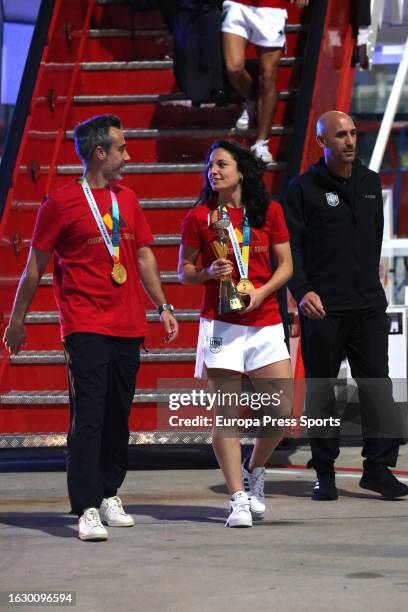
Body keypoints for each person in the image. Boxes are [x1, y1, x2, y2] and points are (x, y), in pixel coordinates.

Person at [2, 114, 179, 541]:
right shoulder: (60, 203)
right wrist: (17, 320)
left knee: (119, 416)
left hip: (128, 325)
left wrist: (163, 306)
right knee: (90, 417)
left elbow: (142, 259)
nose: (127, 155)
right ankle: (85, 506)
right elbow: (35, 267)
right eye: (121, 148)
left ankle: (108, 493)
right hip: (84, 326)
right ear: (100, 153)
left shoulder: (129, 201)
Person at [284, 110, 408, 501]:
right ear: (322, 142)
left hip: (368, 305)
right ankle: (324, 472)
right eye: (341, 135)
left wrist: (372, 286)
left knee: (378, 387)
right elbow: (290, 250)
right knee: (325, 391)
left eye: (353, 133)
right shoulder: (303, 189)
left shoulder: (371, 183)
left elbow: (373, 240)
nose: (350, 141)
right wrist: (303, 291)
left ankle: (378, 468)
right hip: (323, 308)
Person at [178, 140, 293, 527]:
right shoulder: (199, 217)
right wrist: (208, 273)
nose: (214, 171)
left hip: (265, 321)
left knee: (280, 411)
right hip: (221, 325)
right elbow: (184, 271)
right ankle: (238, 498)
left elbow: (286, 265)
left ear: (241, 170)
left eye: (222, 164)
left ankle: (254, 470)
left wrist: (261, 292)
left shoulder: (269, 211)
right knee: (225, 416)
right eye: (210, 166)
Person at [221, 0, 309, 163]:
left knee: (268, 76)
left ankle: (261, 142)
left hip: (271, 7)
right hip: (238, 4)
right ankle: (251, 99)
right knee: (234, 68)